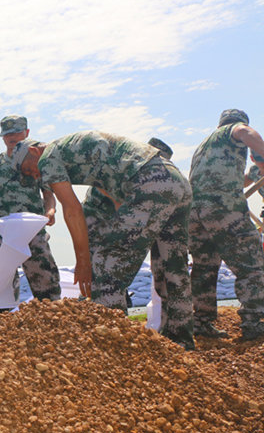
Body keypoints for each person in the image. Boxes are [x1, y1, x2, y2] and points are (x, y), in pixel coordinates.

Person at [13, 131, 195, 349]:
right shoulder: (73, 149)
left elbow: (72, 210)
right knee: (171, 267)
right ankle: (180, 341)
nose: (34, 176)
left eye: (28, 170)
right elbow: (109, 186)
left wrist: (83, 262)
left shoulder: (48, 157)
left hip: (148, 183)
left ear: (33, 151)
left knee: (107, 265)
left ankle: (113, 349)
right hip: (175, 181)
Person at [0, 115, 60, 313]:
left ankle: (51, 323)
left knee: (46, 282)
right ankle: (2, 327)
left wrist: (50, 211)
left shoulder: (38, 161)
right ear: (2, 137)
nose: (12, 137)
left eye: (17, 132)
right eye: (8, 134)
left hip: (32, 232)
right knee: (2, 284)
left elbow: (48, 194)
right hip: (2, 233)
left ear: (27, 133)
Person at [189, 109, 264, 341]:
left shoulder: (205, 146)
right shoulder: (234, 131)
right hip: (223, 208)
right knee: (251, 264)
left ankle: (201, 323)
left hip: (195, 212)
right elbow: (245, 132)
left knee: (205, 267)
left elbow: (238, 180)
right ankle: (254, 324)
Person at [82, 137, 174, 314]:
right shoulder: (126, 163)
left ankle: (113, 309)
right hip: (97, 218)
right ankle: (103, 314)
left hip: (115, 221)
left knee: (113, 269)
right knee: (101, 268)